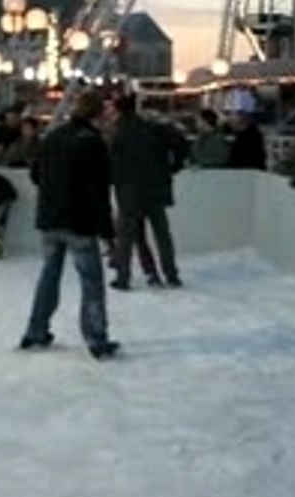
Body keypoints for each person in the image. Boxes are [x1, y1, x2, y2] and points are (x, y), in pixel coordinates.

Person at [20, 90, 119, 360]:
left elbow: (35, 174)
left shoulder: (53, 136)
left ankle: (36, 331)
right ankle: (96, 338)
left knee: (48, 277)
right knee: (91, 282)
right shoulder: (92, 143)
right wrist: (108, 232)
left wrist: (53, 191)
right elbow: (97, 191)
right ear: (97, 114)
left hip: (50, 218)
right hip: (79, 221)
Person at [108, 95, 182, 290]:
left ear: (119, 110)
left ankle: (123, 277)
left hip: (129, 190)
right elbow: (179, 142)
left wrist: (114, 180)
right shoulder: (153, 128)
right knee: (162, 234)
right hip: (156, 188)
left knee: (126, 236)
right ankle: (171, 274)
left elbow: (109, 162)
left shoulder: (118, 133)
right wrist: (173, 167)